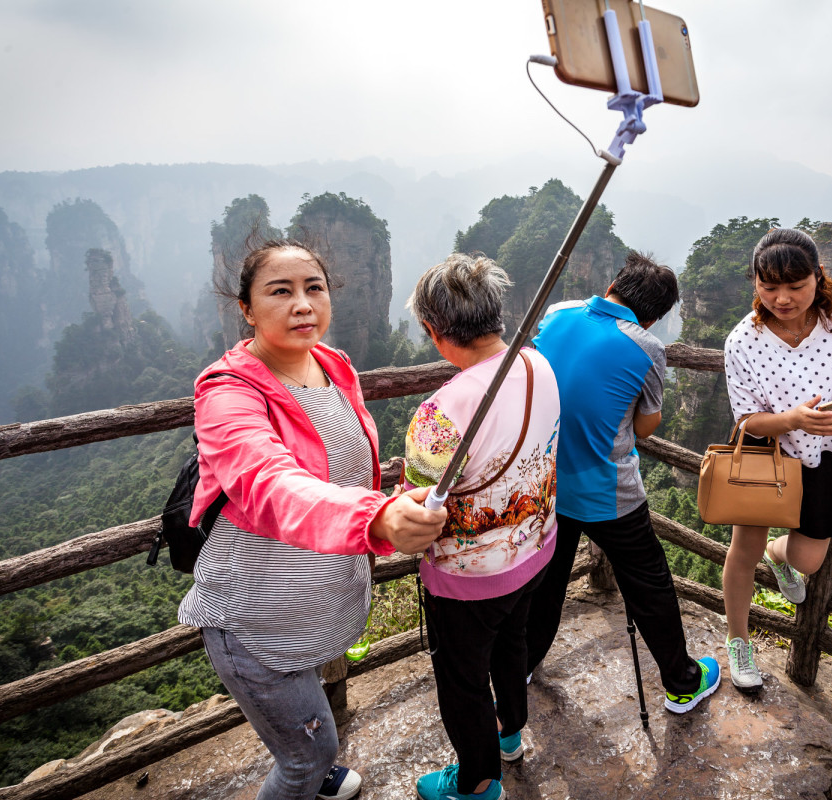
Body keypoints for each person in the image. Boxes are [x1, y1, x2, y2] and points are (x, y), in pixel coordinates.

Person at [177, 240, 447, 800]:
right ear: (246, 309)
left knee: (314, 729)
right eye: (281, 291)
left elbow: (348, 467)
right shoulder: (226, 394)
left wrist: (393, 503)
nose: (302, 304)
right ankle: (309, 774)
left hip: (318, 598)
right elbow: (270, 483)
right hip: (258, 617)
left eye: (313, 288)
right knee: (308, 755)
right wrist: (377, 518)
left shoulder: (333, 364)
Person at [525, 251, 721, 715]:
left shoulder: (557, 313)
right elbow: (647, 424)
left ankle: (521, 665)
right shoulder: (646, 346)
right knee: (649, 584)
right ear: (654, 316)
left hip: (549, 482)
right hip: (606, 490)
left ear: (614, 283)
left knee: (545, 582)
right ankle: (681, 682)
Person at [403, 253, 560, 800]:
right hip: (535, 548)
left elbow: (416, 505)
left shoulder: (440, 413)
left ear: (433, 329)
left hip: (470, 577)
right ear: (496, 314)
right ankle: (510, 735)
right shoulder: (539, 366)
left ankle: (477, 781)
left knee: (463, 679)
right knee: (512, 643)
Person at [721, 227, 832, 691]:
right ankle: (738, 641)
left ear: (819, 275)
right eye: (769, 287)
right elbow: (748, 420)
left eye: (795, 286)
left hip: (826, 455)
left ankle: (781, 554)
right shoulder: (743, 341)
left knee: (808, 561)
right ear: (754, 282)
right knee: (743, 552)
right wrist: (791, 419)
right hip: (765, 455)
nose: (782, 299)